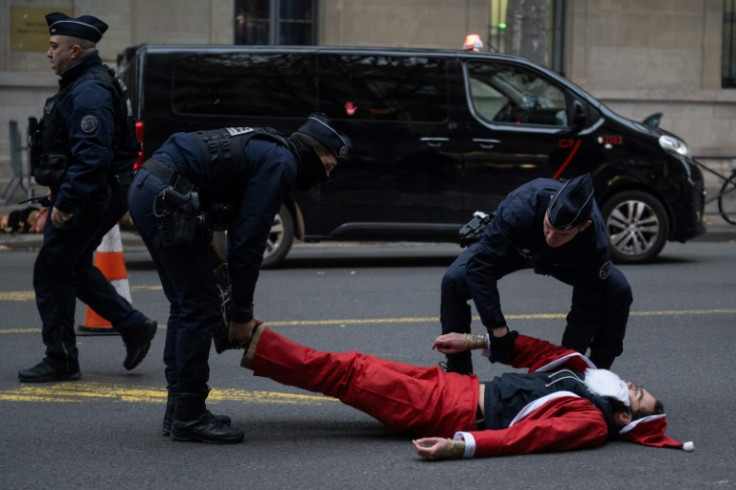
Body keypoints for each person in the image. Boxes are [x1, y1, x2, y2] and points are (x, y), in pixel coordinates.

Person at [127, 114, 351, 444]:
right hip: (167, 196)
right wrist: (241, 315)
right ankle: (189, 415)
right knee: (199, 308)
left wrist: (231, 305)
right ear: (315, 153)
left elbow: (226, 239)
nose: (326, 177)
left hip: (151, 187)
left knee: (187, 303)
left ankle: (179, 410)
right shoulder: (281, 162)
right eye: (329, 167)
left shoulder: (270, 147)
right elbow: (247, 241)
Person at [229, 322, 693, 459]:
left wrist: (459, 447)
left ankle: (249, 339)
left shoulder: (590, 422)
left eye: (638, 398)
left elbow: (521, 439)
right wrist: (470, 341)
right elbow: (532, 348)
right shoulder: (585, 375)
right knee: (358, 364)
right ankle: (252, 342)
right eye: (640, 388)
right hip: (455, 386)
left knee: (348, 375)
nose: (634, 387)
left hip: (448, 412)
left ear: (625, 419)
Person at [18, 13, 157, 383]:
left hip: (96, 194)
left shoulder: (89, 91)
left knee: (51, 269)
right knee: (71, 264)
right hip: (97, 191)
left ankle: (61, 358)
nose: (49, 53)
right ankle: (133, 325)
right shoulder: (82, 83)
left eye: (54, 47)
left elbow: (93, 157)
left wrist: (66, 203)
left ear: (75, 50)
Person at [440, 173, 632, 373]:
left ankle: (598, 374)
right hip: (516, 248)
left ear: (584, 226)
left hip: (563, 262)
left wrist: (567, 365)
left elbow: (584, 313)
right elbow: (481, 269)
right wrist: (498, 331)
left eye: (562, 234)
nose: (551, 237)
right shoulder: (520, 207)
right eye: (549, 226)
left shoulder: (594, 243)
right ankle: (458, 371)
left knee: (618, 289)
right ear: (548, 205)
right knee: (454, 280)